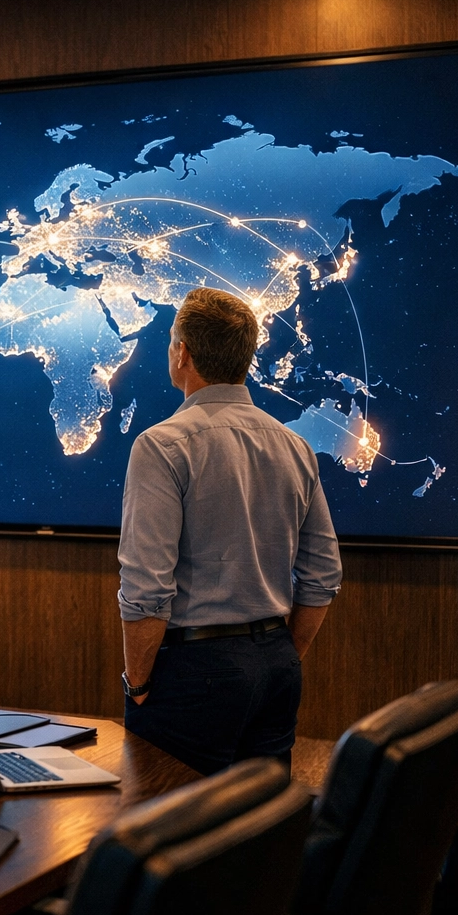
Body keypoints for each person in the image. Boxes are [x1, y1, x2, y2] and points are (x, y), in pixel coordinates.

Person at [117, 287, 342, 774]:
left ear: (183, 353)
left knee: (172, 832)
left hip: (197, 671)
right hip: (276, 662)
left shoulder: (161, 445)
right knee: (257, 828)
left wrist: (137, 683)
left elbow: (147, 588)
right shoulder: (294, 445)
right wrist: (282, 652)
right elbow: (323, 573)